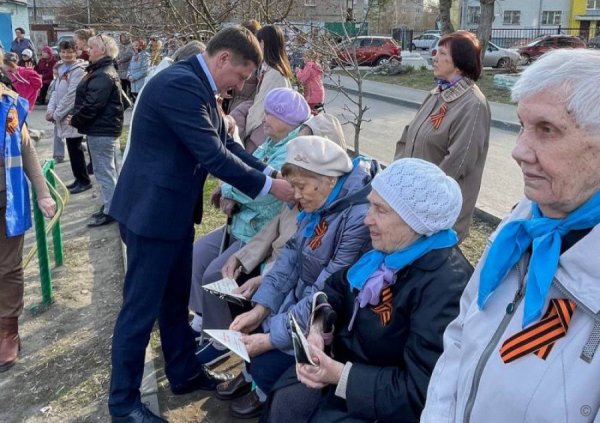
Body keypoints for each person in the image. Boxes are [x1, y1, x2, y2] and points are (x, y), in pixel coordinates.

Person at [106, 26, 294, 422]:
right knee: (139, 313)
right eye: (240, 77)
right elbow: (212, 154)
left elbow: (228, 146)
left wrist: (272, 170)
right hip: (151, 217)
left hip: (170, 217)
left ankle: (184, 373)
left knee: (173, 303)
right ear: (223, 59)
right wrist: (270, 187)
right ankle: (123, 404)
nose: (240, 86)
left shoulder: (199, 87)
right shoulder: (180, 85)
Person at [420, 49, 600, 422]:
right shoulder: (520, 225)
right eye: (521, 125)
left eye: (546, 130)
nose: (518, 151)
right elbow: (461, 336)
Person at [264, 158, 473, 422]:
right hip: (342, 369)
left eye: (379, 210)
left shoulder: (446, 286)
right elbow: (336, 287)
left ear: (414, 221)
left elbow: (420, 391)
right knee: (282, 397)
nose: (366, 220)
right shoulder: (385, 253)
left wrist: (340, 375)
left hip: (378, 403)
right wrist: (319, 325)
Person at [217, 136, 376, 419]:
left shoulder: (356, 219)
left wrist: (269, 338)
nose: (296, 196)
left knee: (265, 363)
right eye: (293, 187)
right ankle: (261, 386)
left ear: (327, 180)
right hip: (299, 304)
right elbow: (291, 256)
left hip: (326, 320)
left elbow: (325, 289)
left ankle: (265, 392)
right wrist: (261, 308)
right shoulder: (321, 204)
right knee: (250, 326)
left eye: (301, 187)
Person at [190, 87, 311, 363]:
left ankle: (224, 342)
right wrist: (229, 187)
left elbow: (267, 197)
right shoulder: (271, 142)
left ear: (289, 121)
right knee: (197, 256)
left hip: (258, 227)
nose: (264, 118)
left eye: (271, 114)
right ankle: (201, 320)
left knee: (215, 276)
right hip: (240, 223)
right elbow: (243, 167)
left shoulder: (293, 149)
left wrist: (227, 191)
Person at [394, 31, 490, 241]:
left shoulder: (472, 104)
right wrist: (398, 178)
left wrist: (422, 196)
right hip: (413, 202)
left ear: (459, 63)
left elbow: (458, 163)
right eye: (435, 51)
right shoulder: (437, 93)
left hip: (438, 210)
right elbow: (408, 136)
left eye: (442, 53)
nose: (434, 57)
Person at [0, 66, 56, 373]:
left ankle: (8, 331)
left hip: (5, 201)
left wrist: (43, 193)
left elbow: (25, 150)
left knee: (7, 269)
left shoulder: (8, 106)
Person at [68, 34, 123, 226]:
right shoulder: (102, 70)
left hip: (102, 131)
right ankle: (113, 204)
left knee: (104, 171)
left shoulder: (103, 73)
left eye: (92, 48)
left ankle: (112, 210)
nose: (87, 51)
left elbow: (93, 105)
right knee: (109, 170)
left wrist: (75, 119)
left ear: (103, 51)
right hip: (103, 129)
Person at [230, 24, 293, 153]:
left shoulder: (274, 75)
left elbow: (261, 109)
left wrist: (246, 128)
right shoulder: (273, 72)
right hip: (265, 133)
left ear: (262, 44)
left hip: (260, 137)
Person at [47, 40, 90, 192]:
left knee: (76, 149)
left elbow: (72, 95)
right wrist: (50, 110)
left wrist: (57, 114)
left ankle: (84, 181)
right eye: (63, 52)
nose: (66, 55)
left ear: (76, 52)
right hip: (61, 113)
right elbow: (55, 90)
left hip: (72, 114)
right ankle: (78, 178)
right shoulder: (61, 68)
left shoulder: (78, 70)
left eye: (70, 51)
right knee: (72, 149)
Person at [116, 32, 134, 97]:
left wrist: (120, 60)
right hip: (120, 69)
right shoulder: (120, 45)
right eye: (121, 37)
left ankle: (131, 99)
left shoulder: (131, 45)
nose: (122, 38)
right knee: (122, 87)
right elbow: (117, 53)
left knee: (129, 85)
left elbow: (129, 55)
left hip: (128, 68)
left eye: (123, 37)